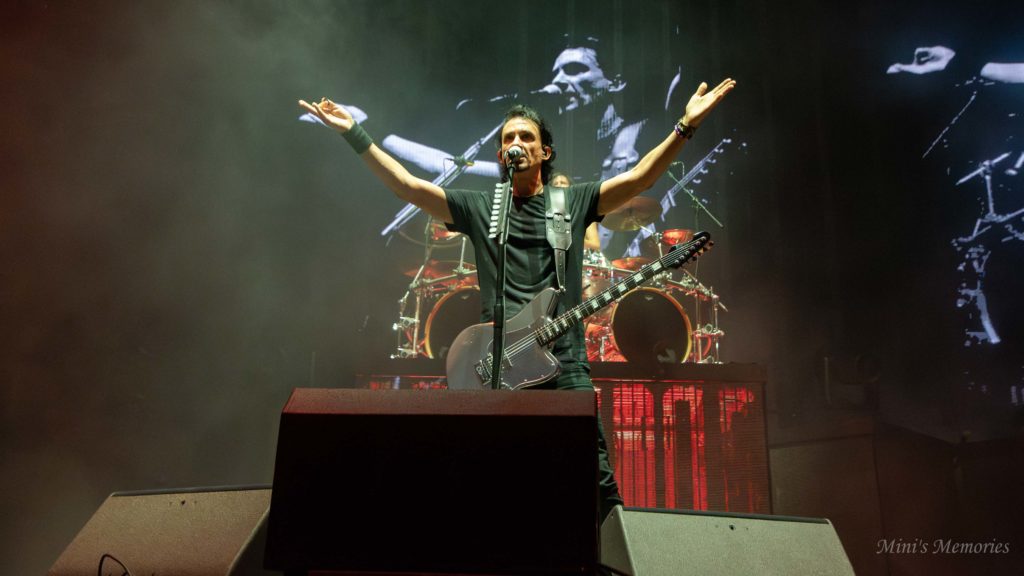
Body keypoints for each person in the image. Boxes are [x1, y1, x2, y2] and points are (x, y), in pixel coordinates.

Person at [299, 76, 735, 522]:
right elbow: (408, 188)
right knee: (494, 487)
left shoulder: (573, 202)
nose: (516, 144)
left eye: (526, 137)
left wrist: (685, 125)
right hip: (497, 368)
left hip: (564, 364)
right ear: (500, 154)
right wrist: (355, 133)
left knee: (596, 480)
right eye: (508, 138)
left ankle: (610, 549)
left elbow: (641, 177)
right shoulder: (479, 208)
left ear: (545, 152)